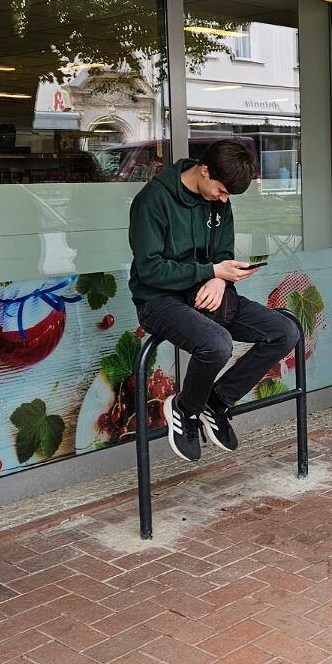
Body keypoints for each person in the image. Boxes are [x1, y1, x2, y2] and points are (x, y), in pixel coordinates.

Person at [128, 140, 298, 462]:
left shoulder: (219, 202)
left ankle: (216, 402)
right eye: (221, 190)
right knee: (217, 344)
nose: (223, 199)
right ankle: (185, 408)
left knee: (285, 331)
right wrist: (211, 271)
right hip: (158, 299)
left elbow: (222, 254)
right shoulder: (153, 200)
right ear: (204, 171)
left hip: (208, 291)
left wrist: (220, 278)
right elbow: (150, 270)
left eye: (228, 195)